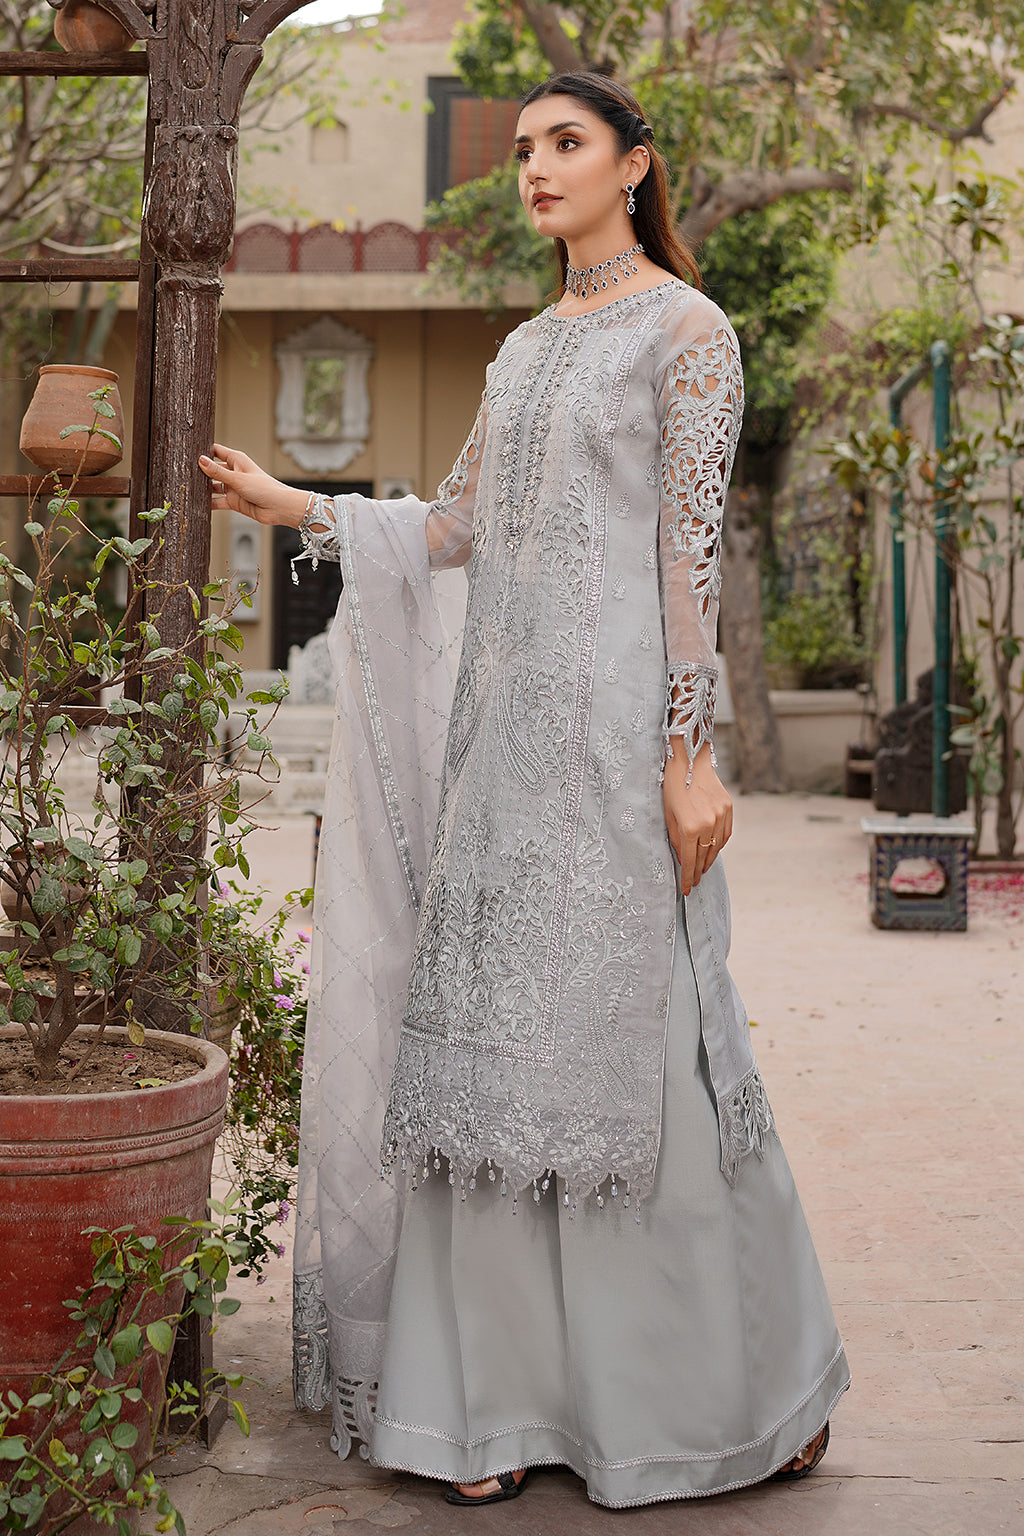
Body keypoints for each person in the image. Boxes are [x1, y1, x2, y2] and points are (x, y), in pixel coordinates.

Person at [200, 70, 849, 1510]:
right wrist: (297, 505)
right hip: (503, 759)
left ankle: (741, 1398)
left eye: (568, 144)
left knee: (653, 1054)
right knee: (486, 1065)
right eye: (523, 151)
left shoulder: (691, 334)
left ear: (635, 165)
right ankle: (481, 1414)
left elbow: (686, 567)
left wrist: (689, 756)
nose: (538, 168)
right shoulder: (520, 351)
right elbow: (456, 530)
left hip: (619, 752)